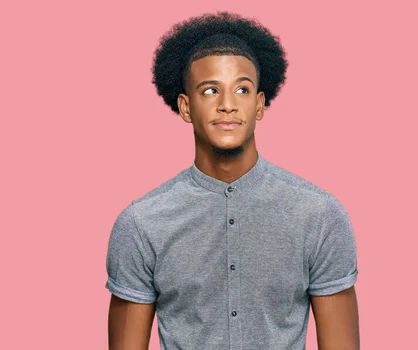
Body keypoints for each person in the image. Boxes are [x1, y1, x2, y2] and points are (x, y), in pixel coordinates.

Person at [105, 11, 359, 350]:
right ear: (185, 106)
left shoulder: (320, 216)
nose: (227, 105)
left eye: (241, 89)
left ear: (259, 105)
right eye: (210, 90)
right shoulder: (140, 224)